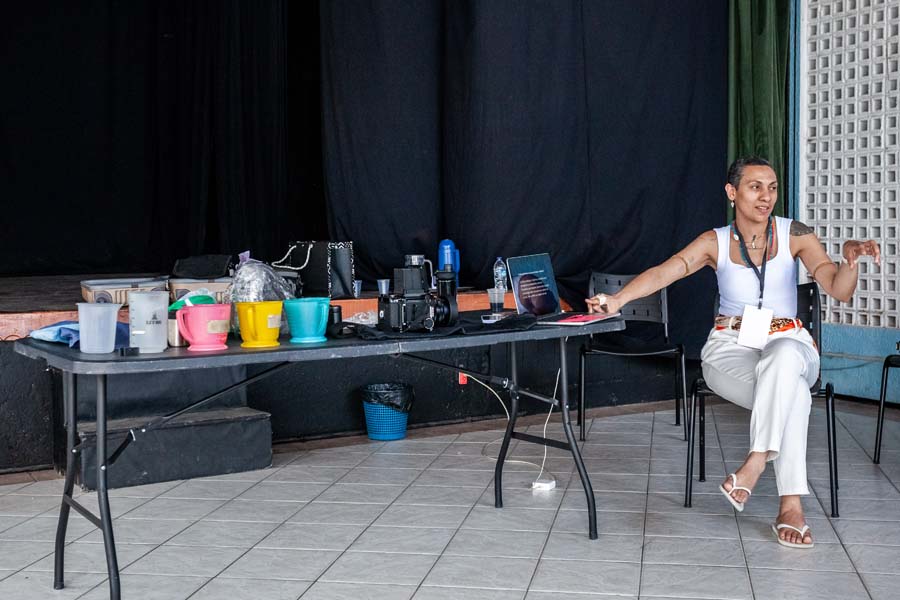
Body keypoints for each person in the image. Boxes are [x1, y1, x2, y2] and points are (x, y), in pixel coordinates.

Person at [586, 156, 880, 548]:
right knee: (792, 392)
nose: (766, 197)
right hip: (731, 347)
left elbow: (839, 289)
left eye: (772, 188)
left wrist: (848, 261)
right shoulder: (715, 241)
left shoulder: (795, 234)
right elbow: (666, 272)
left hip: (789, 341)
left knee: (785, 354)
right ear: (732, 192)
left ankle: (756, 461)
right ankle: (790, 506)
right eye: (755, 187)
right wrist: (618, 300)